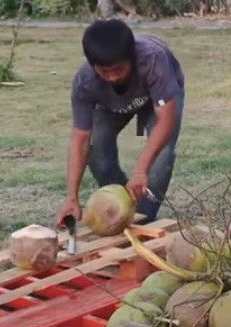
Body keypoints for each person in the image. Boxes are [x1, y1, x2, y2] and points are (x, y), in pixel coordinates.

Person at [56, 19, 185, 227]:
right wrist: (72, 197)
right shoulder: (85, 82)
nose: (113, 76)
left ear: (131, 58)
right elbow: (81, 139)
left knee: (162, 155)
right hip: (111, 103)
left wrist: (141, 169)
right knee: (97, 152)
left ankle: (144, 218)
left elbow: (165, 121)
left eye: (118, 69)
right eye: (104, 71)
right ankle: (122, 205)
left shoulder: (153, 59)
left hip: (161, 97)